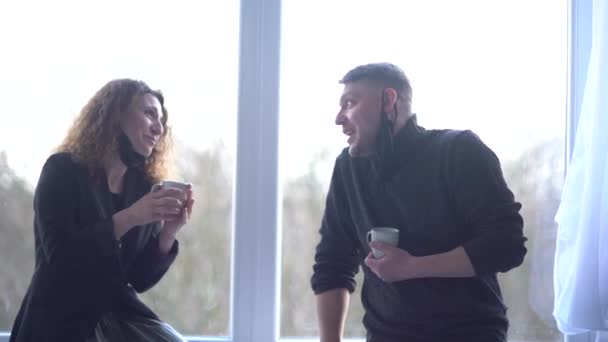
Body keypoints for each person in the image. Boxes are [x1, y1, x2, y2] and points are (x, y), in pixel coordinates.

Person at [311, 63, 527, 342]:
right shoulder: (347, 168)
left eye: (350, 102)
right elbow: (332, 263)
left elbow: (507, 245)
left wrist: (412, 266)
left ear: (388, 100)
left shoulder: (459, 151)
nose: (339, 118)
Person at [10, 79, 195, 342]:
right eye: (149, 113)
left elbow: (137, 279)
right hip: (58, 320)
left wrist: (169, 232)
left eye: (162, 120)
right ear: (116, 115)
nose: (159, 127)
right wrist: (131, 216)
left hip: (119, 318)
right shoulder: (61, 170)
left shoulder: (142, 187)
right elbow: (61, 260)